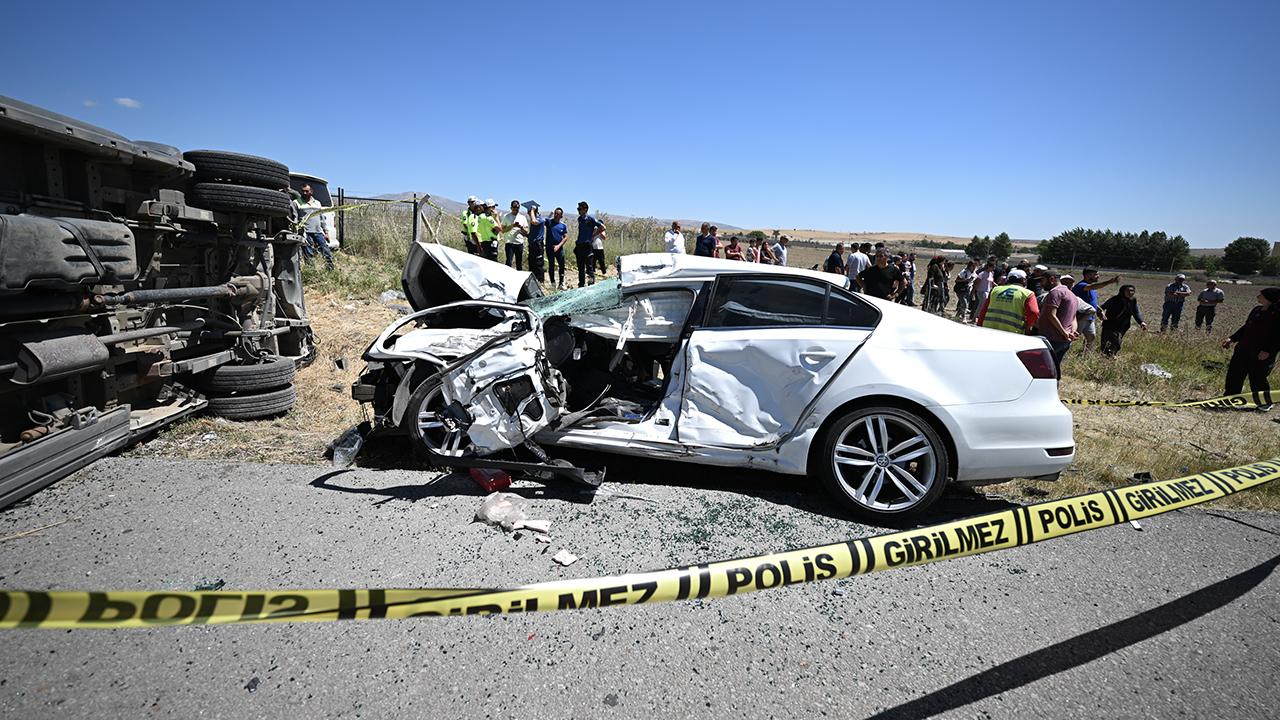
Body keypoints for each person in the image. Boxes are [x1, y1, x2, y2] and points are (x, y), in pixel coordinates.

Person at [1220, 287, 1279, 411]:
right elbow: (1246, 327)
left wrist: (1267, 350)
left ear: (1269, 298)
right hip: (1244, 348)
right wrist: (1232, 339)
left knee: (1257, 376)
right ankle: (1231, 397)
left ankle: (1264, 402)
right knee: (1235, 373)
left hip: (1261, 352)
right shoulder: (1257, 310)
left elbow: (1277, 335)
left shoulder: (1277, 314)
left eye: (1261, 295)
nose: (1258, 297)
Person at [1037, 272, 1079, 375]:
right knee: (1054, 370)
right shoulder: (1072, 295)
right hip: (1064, 341)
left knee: (1041, 369)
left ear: (1051, 279)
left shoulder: (1055, 292)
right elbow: (1074, 318)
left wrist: (1064, 332)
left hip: (1051, 339)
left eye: (1042, 280)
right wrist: (1072, 332)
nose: (1041, 284)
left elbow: (1051, 315)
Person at [1072, 268, 1121, 351]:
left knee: (1091, 336)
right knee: (1072, 336)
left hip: (1090, 317)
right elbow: (1092, 287)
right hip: (1080, 317)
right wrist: (1109, 282)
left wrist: (1099, 310)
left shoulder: (1092, 288)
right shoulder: (1082, 285)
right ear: (1088, 275)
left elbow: (1090, 301)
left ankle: (1086, 355)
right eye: (1096, 274)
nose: (1098, 276)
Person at [977, 269, 1039, 334]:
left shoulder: (995, 290)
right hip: (1012, 334)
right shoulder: (1028, 294)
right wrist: (1028, 327)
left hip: (988, 330)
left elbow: (983, 311)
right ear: (1023, 280)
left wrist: (979, 326)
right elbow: (1034, 312)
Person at [1099, 285, 1147, 357]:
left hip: (1123, 325)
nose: (1130, 292)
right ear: (1122, 291)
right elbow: (1101, 307)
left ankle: (1110, 354)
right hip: (1110, 324)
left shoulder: (1133, 300)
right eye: (1128, 291)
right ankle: (1110, 354)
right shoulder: (1114, 299)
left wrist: (1141, 322)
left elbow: (1136, 312)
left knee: (1117, 341)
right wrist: (1101, 314)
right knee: (1113, 341)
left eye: (1132, 291)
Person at [295, 184, 335, 270]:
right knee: (308, 252)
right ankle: (311, 270)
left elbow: (322, 219)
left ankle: (330, 268)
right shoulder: (296, 203)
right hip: (306, 232)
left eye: (307, 191)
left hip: (318, 231)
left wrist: (326, 232)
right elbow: (295, 218)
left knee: (325, 249)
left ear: (311, 192)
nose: (305, 193)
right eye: (303, 191)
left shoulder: (317, 203)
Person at [575, 201, 606, 287]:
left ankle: (591, 283)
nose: (578, 210)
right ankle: (581, 284)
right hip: (579, 246)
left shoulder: (591, 219)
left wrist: (594, 235)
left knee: (589, 266)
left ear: (585, 209)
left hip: (587, 246)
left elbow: (603, 227)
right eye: (578, 209)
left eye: (580, 209)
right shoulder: (579, 219)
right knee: (580, 267)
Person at [543, 207, 569, 289]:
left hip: (559, 248)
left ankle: (561, 283)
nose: (556, 215)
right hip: (549, 248)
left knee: (561, 265)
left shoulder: (563, 226)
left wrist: (558, 246)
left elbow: (565, 237)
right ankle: (553, 283)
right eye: (555, 213)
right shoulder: (549, 223)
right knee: (551, 265)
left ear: (561, 216)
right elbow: (545, 220)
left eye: (558, 214)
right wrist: (550, 214)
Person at [501, 200, 529, 270]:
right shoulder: (507, 217)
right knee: (509, 262)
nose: (516, 209)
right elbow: (503, 230)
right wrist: (512, 226)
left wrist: (521, 227)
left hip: (519, 242)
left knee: (519, 263)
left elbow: (526, 231)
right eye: (514, 207)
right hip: (509, 242)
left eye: (517, 207)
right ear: (511, 208)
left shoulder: (522, 217)